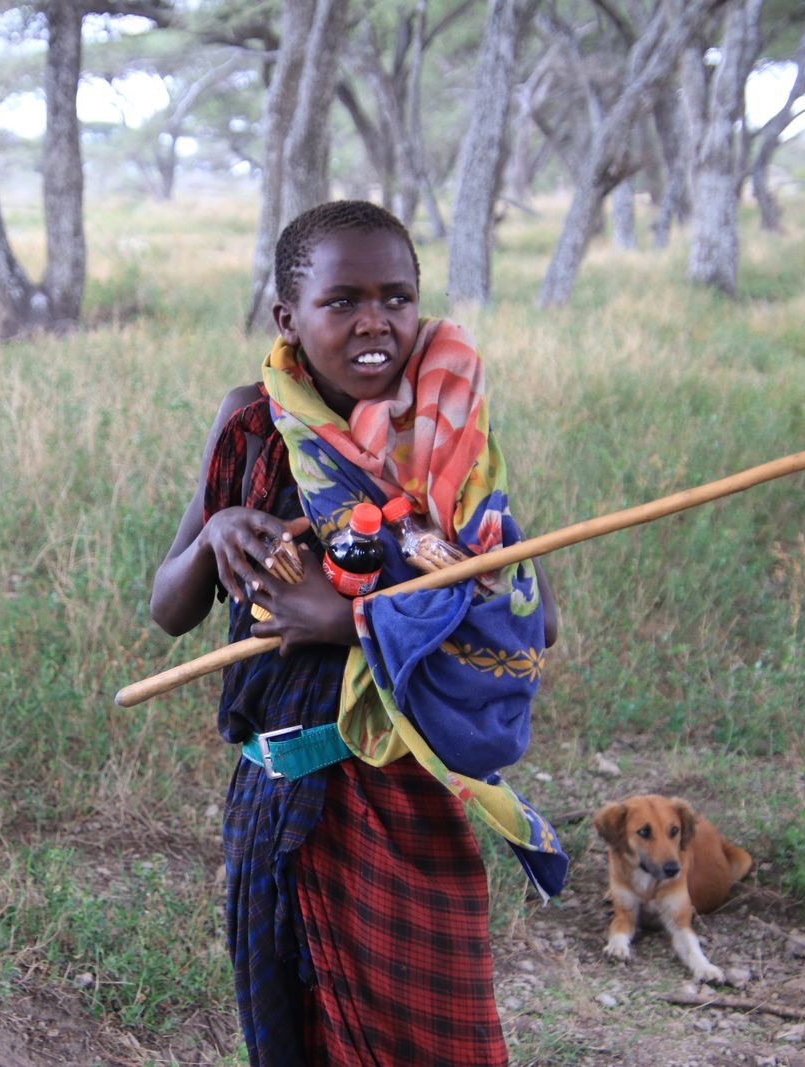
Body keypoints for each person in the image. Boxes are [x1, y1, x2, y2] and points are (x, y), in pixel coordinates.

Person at [151, 200, 566, 1065]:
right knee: (293, 1038)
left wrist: (350, 621)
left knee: (429, 1045)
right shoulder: (252, 425)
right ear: (287, 319)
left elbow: (534, 612)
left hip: (402, 785)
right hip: (273, 792)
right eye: (342, 301)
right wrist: (221, 526)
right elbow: (168, 606)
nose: (375, 323)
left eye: (397, 298)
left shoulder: (442, 435)